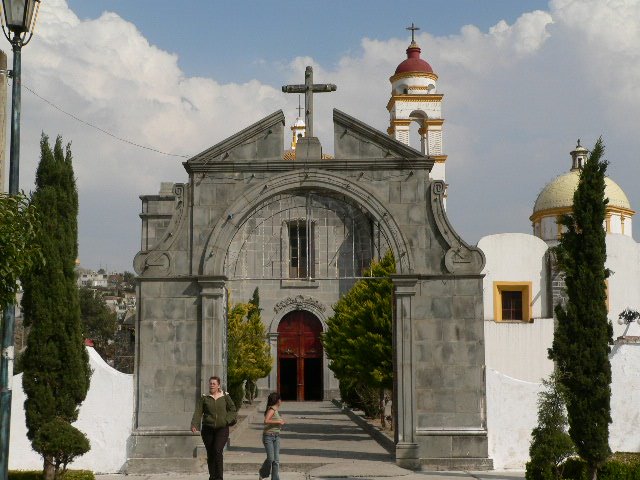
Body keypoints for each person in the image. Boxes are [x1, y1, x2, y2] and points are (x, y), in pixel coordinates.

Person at [191, 376, 237, 480]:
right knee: (211, 453)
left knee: (217, 450)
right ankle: (212, 476)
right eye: (210, 383)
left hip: (222, 429)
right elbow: (198, 412)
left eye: (214, 384)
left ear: (218, 385)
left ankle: (219, 478)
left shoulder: (225, 396)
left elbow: (233, 409)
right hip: (208, 429)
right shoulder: (205, 397)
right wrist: (194, 424)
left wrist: (226, 420)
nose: (211, 385)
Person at [259, 392, 285, 480]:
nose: (281, 401)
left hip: (276, 436)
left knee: (276, 460)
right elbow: (266, 421)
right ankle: (262, 473)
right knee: (271, 458)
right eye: (280, 399)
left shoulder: (275, 410)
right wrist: (278, 422)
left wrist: (280, 422)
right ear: (277, 400)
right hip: (268, 436)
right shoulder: (272, 409)